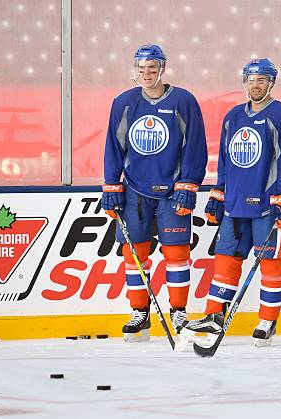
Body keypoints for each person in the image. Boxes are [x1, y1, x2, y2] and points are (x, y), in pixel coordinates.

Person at [181, 58, 281, 346]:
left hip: (267, 203)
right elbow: (225, 160)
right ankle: (214, 316)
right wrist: (219, 192)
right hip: (235, 204)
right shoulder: (234, 116)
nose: (255, 85)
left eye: (261, 80)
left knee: (271, 262)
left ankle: (267, 320)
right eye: (250, 79)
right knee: (225, 260)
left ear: (271, 82)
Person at [102, 44, 208, 342]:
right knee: (134, 253)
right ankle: (140, 313)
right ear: (134, 70)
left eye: (152, 69)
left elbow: (194, 146)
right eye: (141, 69)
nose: (146, 74)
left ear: (162, 69)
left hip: (172, 190)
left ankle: (178, 311)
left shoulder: (183, 101)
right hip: (135, 190)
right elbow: (113, 145)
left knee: (177, 252)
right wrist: (112, 184)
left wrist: (188, 184)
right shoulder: (123, 103)